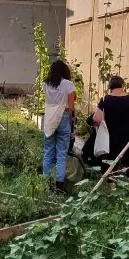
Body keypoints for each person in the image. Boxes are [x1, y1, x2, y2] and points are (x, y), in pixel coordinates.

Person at [92, 75, 129, 178]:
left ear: (110, 87)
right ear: (122, 85)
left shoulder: (105, 100)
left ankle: (112, 190)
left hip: (111, 140)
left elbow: (96, 119)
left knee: (111, 166)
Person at [42, 60, 77, 191]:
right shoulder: (68, 84)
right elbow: (71, 107)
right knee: (61, 153)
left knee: (48, 151)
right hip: (63, 117)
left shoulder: (46, 84)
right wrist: (71, 125)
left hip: (48, 118)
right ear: (64, 71)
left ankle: (45, 183)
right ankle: (59, 185)